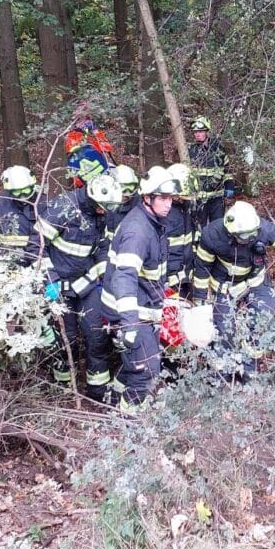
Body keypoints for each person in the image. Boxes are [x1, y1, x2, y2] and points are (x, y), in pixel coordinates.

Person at [193, 200, 275, 381]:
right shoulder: (212, 235)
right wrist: (199, 299)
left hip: (255, 282)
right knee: (223, 331)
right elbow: (201, 268)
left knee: (261, 320)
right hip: (224, 286)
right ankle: (222, 374)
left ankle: (249, 369)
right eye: (244, 236)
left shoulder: (265, 229)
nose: (249, 239)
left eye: (252, 235)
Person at [101, 165, 178, 413]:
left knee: (134, 364)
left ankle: (113, 401)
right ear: (147, 198)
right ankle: (129, 421)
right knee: (146, 370)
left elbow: (151, 274)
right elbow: (125, 277)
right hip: (130, 312)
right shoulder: (138, 232)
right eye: (163, 198)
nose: (169, 204)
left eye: (171, 198)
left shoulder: (152, 222)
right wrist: (130, 323)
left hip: (144, 307)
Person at [36, 173, 123, 393]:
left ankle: (98, 389)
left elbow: (102, 247)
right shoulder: (63, 208)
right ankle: (63, 387)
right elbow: (36, 246)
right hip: (59, 285)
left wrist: (104, 277)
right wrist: (50, 280)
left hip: (86, 284)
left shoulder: (100, 213)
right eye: (102, 206)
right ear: (93, 198)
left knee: (97, 334)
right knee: (66, 340)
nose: (105, 211)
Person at [187, 116, 234, 226]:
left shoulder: (218, 149)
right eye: (195, 132)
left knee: (218, 226)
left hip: (216, 198)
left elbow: (227, 169)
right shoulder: (190, 151)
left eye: (200, 131)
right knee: (199, 227)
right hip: (199, 199)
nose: (197, 134)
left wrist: (229, 186)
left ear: (207, 132)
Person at [164, 163, 196, 291]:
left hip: (185, 273)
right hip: (169, 278)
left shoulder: (185, 208)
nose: (185, 199)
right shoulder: (165, 213)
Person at [105, 164, 141, 241]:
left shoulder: (140, 206)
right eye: (123, 187)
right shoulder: (102, 203)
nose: (127, 193)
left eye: (131, 187)